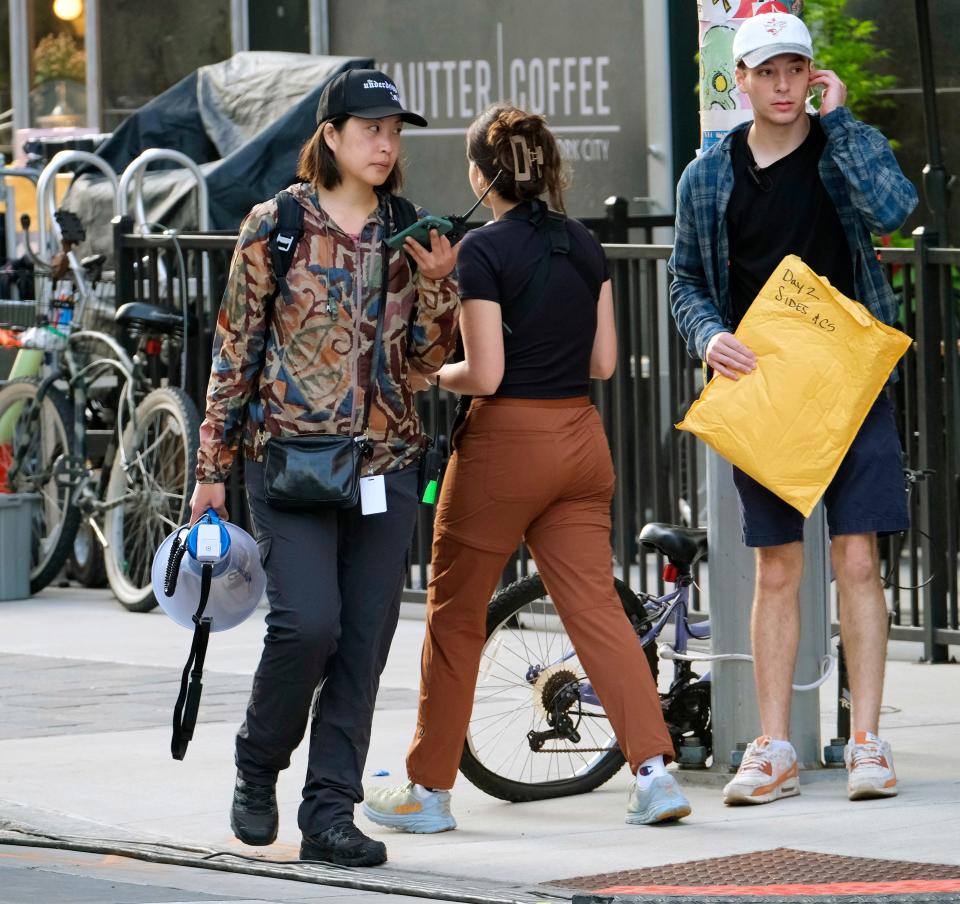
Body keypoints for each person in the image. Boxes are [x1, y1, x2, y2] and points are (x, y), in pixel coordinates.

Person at [361, 104, 692, 834]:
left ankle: (428, 792)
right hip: (581, 439)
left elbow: (485, 373)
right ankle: (654, 773)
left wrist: (432, 377)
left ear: (482, 176)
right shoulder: (587, 244)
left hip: (505, 447)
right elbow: (604, 362)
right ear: (547, 170)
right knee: (598, 612)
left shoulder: (481, 252)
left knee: (455, 617)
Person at [189, 68, 460, 866]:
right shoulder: (275, 225)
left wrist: (440, 291)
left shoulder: (408, 229)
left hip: (388, 465)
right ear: (331, 135)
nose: (385, 142)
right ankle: (257, 761)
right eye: (370, 127)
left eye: (395, 130)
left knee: (363, 642)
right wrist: (212, 467)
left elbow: (423, 366)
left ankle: (330, 813)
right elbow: (235, 348)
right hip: (290, 463)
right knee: (308, 626)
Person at [668, 12, 917, 805]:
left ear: (812, 73)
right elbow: (685, 282)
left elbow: (897, 208)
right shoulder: (707, 175)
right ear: (739, 80)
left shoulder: (842, 148)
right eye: (765, 72)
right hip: (764, 389)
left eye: (794, 70)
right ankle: (773, 746)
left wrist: (840, 123)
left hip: (851, 381)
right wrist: (709, 337)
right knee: (777, 567)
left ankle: (869, 743)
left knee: (857, 559)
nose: (781, 87)